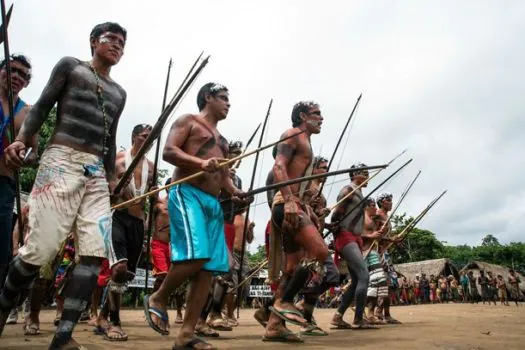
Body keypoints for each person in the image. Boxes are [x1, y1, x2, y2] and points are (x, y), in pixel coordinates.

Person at [0, 22, 127, 349]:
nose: (117, 46)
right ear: (93, 41)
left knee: (93, 252)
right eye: (111, 39)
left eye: (122, 43)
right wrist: (21, 140)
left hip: (96, 172)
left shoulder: (119, 93)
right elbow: (42, 106)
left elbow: (110, 140)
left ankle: (64, 336)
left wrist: (111, 179)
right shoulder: (71, 67)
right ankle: (2, 311)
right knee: (38, 251)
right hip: (61, 160)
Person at [143, 82, 249, 350]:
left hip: (213, 203)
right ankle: (159, 297)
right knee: (198, 254)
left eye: (229, 98)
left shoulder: (223, 141)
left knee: (208, 270)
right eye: (223, 98)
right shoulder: (188, 121)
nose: (228, 103)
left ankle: (187, 334)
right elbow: (169, 152)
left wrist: (235, 191)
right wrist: (200, 163)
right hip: (187, 193)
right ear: (208, 98)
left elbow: (223, 175)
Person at [264, 101, 328, 343]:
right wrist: (290, 201)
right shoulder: (294, 135)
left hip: (295, 205)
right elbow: (278, 167)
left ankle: (273, 326)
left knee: (292, 269)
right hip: (286, 206)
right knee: (320, 254)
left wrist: (306, 208)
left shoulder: (306, 142)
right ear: (303, 116)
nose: (321, 118)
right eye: (316, 114)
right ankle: (284, 302)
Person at [94, 124, 154, 342]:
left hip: (138, 222)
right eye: (143, 136)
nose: (147, 140)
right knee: (118, 268)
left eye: (151, 138)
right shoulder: (119, 159)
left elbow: (148, 198)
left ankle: (102, 317)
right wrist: (117, 186)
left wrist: (147, 224)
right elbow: (107, 190)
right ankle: (115, 322)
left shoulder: (152, 166)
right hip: (118, 217)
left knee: (126, 274)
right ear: (133, 137)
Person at [0, 54, 35, 285]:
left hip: (4, 183)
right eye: (11, 70)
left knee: (1, 243)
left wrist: (23, 157)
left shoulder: (27, 113)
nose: (16, 76)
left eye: (22, 74)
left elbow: (35, 152)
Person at [330, 167, 377, 329]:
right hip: (346, 236)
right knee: (364, 275)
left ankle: (338, 317)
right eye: (365, 173)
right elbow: (336, 215)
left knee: (357, 280)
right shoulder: (348, 190)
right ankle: (358, 319)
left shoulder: (358, 193)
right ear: (356, 175)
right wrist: (336, 231)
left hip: (355, 237)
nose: (368, 176)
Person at [150, 177, 188, 326]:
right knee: (163, 275)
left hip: (174, 246)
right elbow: (149, 218)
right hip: (158, 243)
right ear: (167, 188)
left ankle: (178, 311)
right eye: (173, 187)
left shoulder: (180, 205)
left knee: (176, 279)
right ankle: (155, 304)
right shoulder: (159, 204)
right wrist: (152, 197)